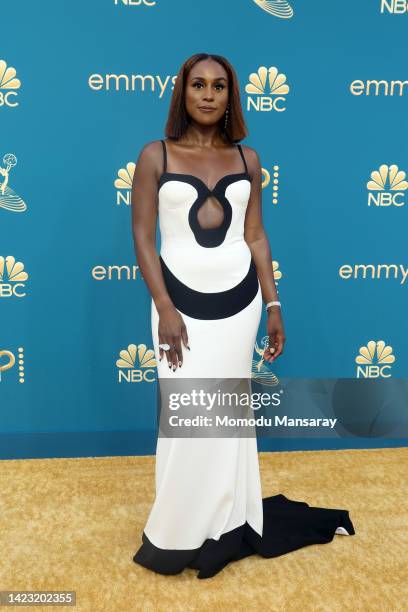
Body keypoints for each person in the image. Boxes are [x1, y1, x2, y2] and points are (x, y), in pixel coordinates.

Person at [130, 52, 355, 579]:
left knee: (228, 417)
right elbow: (143, 236)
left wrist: (273, 304)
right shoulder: (155, 155)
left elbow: (254, 234)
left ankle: (229, 522)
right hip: (178, 304)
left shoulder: (248, 160)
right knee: (185, 416)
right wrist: (163, 306)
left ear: (232, 96)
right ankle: (176, 530)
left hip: (241, 303)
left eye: (220, 86)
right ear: (182, 93)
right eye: (198, 85)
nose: (208, 94)